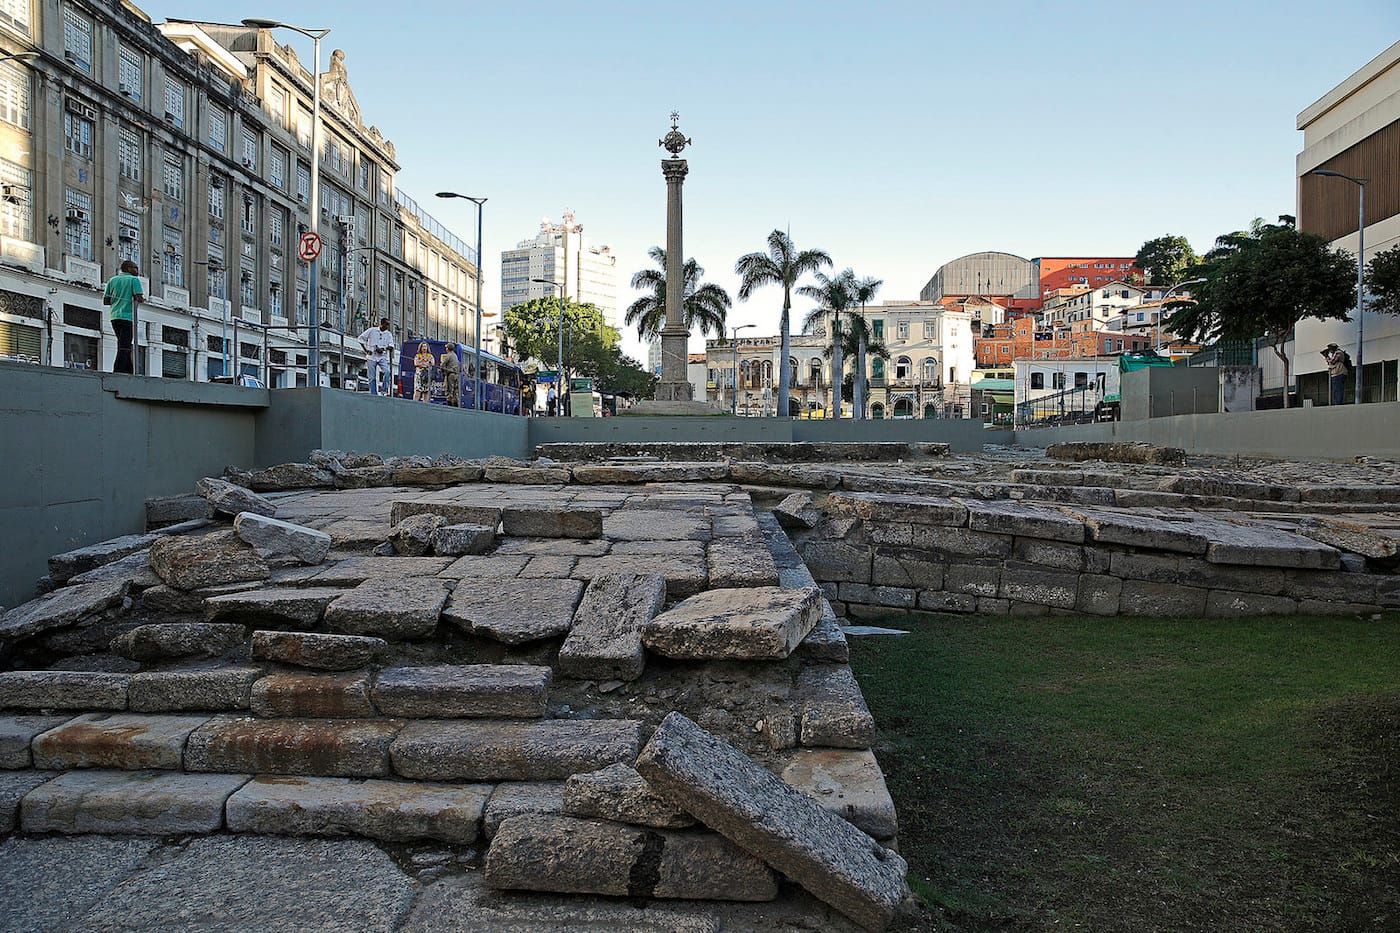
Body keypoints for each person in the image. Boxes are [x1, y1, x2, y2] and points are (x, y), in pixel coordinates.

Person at [104, 260, 144, 374]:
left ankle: (129, 369)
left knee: (122, 343)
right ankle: (119, 369)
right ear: (128, 268)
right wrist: (136, 298)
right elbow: (139, 298)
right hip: (127, 317)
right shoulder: (134, 280)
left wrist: (117, 299)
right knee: (125, 345)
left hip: (114, 316)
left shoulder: (112, 280)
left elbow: (106, 300)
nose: (137, 271)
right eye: (135, 268)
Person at [358, 318, 394, 396]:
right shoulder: (372, 330)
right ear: (382, 324)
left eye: (388, 325)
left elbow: (391, 346)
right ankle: (373, 393)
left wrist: (383, 349)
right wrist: (366, 350)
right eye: (386, 324)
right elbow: (360, 339)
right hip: (371, 356)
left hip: (382, 357)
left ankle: (384, 390)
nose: (387, 326)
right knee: (372, 377)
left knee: (387, 372)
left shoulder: (388, 334)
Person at [440, 342, 461, 407]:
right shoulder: (455, 355)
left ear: (448, 348)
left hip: (450, 374)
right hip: (456, 374)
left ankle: (450, 404)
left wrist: (443, 372)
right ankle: (456, 404)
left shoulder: (449, 355)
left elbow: (443, 365)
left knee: (449, 390)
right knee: (455, 390)